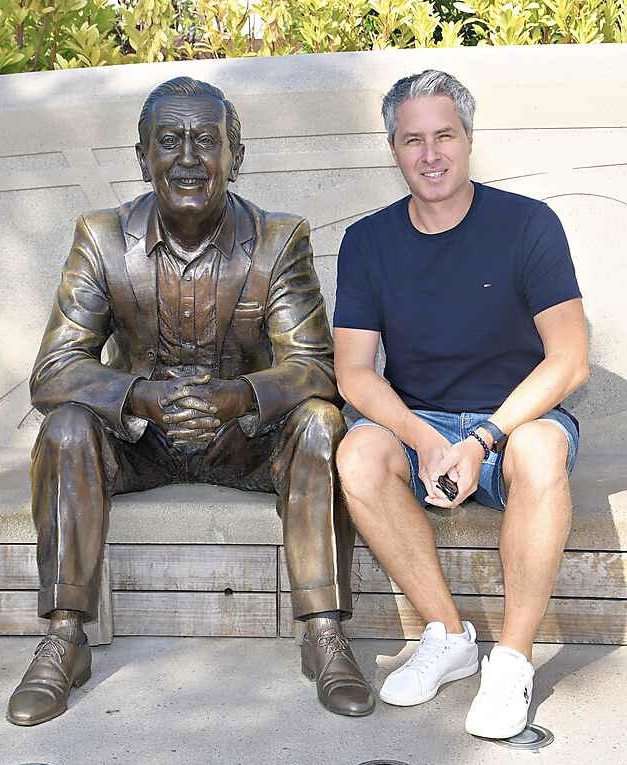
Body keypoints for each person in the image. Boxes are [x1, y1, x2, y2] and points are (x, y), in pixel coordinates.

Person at [7, 77, 374, 726]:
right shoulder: (101, 238)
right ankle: (65, 636)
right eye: (169, 141)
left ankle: (323, 631)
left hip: (242, 441)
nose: (187, 158)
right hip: (139, 443)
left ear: (236, 155)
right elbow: (55, 370)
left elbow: (316, 367)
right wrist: (140, 397)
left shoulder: (278, 239)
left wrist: (238, 396)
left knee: (320, 423)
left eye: (206, 141)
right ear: (141, 155)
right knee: (64, 427)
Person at [333, 70, 588, 739]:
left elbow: (568, 359)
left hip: (516, 420)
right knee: (358, 453)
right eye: (412, 139)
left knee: (541, 449)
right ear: (393, 148)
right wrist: (421, 437)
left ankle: (511, 660)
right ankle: (447, 635)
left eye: (444, 135)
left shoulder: (527, 224)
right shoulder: (367, 241)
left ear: (468, 138)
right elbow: (353, 373)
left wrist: (482, 438)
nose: (430, 154)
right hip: (421, 424)